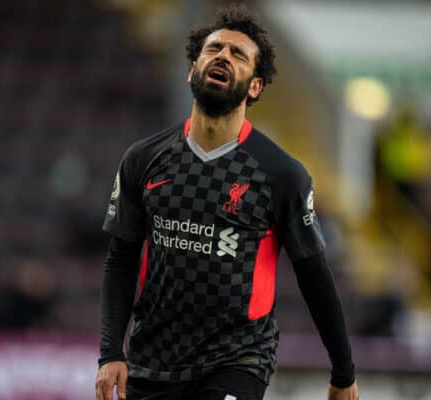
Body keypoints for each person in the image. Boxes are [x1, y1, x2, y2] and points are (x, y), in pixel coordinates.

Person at [96, 6, 359, 400]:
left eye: (238, 55)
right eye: (214, 49)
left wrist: (343, 373)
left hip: (237, 359)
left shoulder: (279, 174)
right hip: (152, 360)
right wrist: (109, 353)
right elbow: (121, 259)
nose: (222, 56)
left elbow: (314, 274)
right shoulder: (143, 159)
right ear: (192, 70)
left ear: (254, 86)